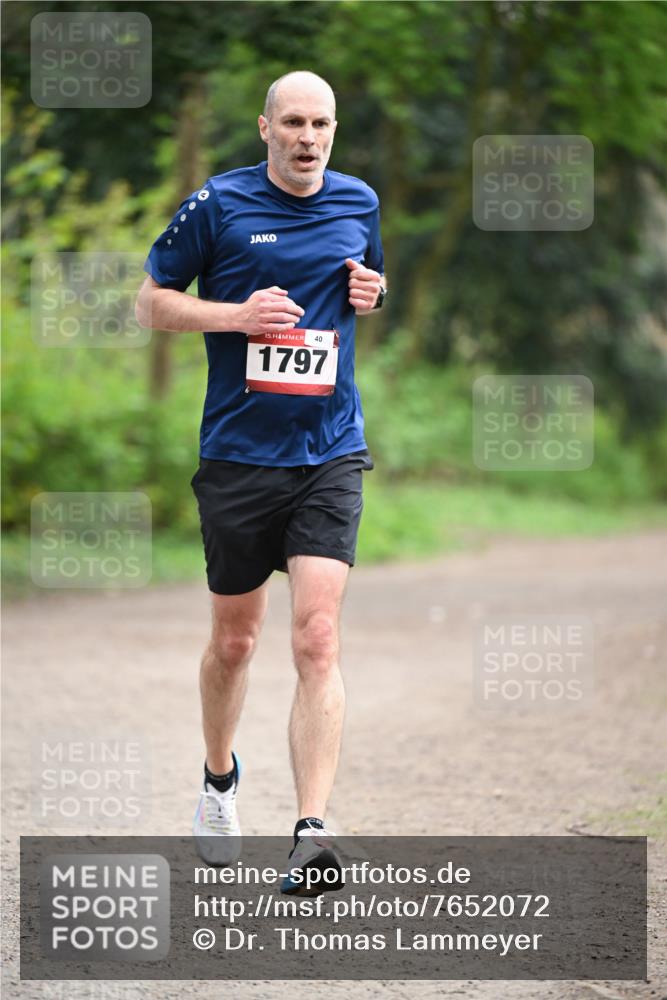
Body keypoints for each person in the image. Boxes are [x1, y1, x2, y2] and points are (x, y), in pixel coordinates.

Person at [136, 70, 386, 894]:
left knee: (316, 637)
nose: (308, 137)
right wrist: (235, 316)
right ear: (265, 128)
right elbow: (152, 303)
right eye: (293, 123)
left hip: (330, 451)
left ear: (334, 130)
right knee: (235, 641)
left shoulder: (358, 201)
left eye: (321, 123)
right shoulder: (218, 204)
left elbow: (365, 287)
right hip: (240, 455)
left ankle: (312, 832)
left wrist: (373, 292)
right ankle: (217, 782)